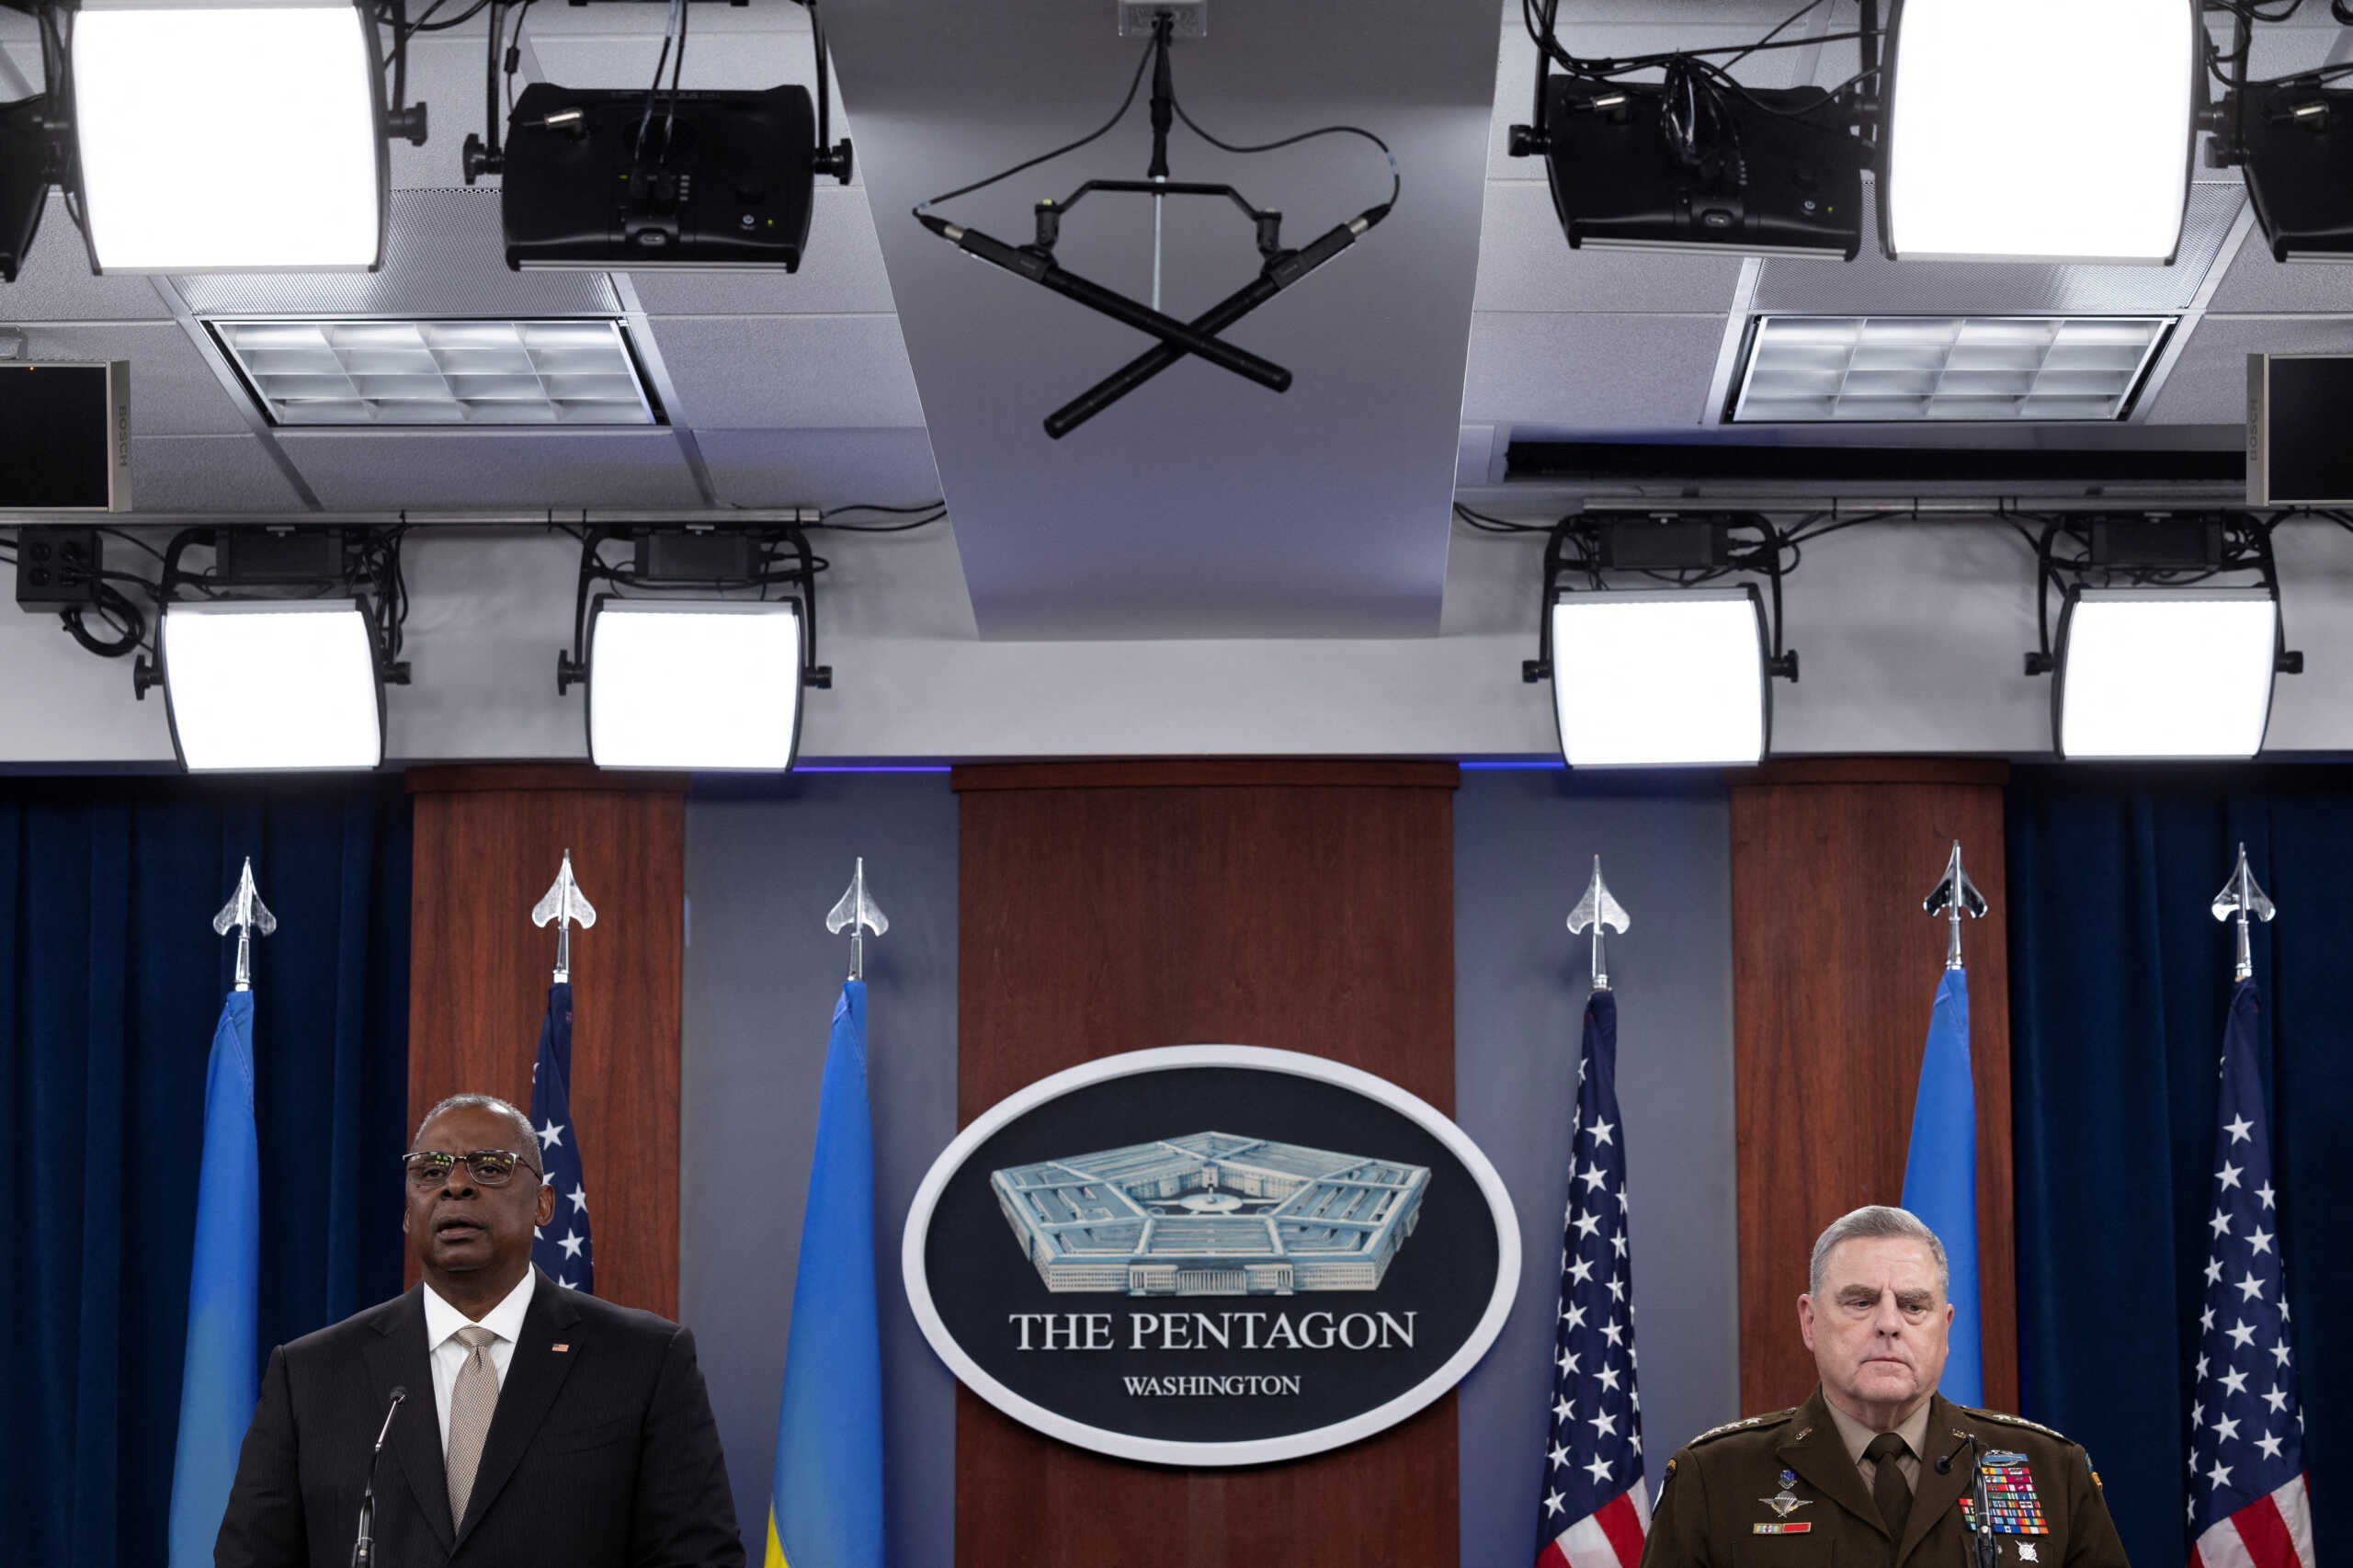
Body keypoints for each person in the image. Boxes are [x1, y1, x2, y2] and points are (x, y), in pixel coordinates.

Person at [215, 1094, 744, 1568]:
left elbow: (697, 1557)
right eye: (430, 1170)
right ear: (407, 1211)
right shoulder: (312, 1373)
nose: (456, 1184)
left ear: (543, 1204)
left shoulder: (644, 1360)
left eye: (490, 1167)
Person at [1641, 1205, 2129, 1568]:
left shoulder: (2051, 1473)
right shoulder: (1712, 1480)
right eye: (1860, 1302)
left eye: (1914, 1305)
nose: (1889, 1324)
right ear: (1810, 1322)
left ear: (1946, 1326)